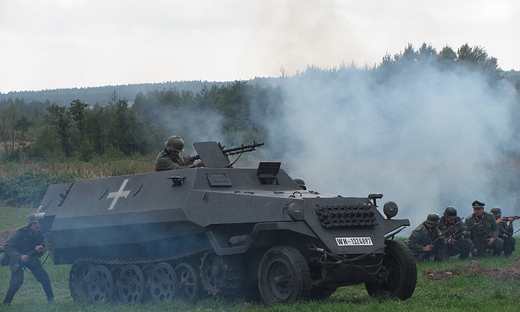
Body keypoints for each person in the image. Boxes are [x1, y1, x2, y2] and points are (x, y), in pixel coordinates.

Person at [3, 214, 54, 306]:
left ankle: (51, 299)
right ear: (29, 224)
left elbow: (44, 247)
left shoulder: (42, 233)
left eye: (37, 223)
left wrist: (39, 250)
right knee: (17, 281)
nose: (36, 225)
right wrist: (20, 256)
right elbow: (7, 246)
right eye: (33, 223)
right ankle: (6, 302)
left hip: (31, 257)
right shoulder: (19, 232)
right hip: (17, 258)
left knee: (44, 278)